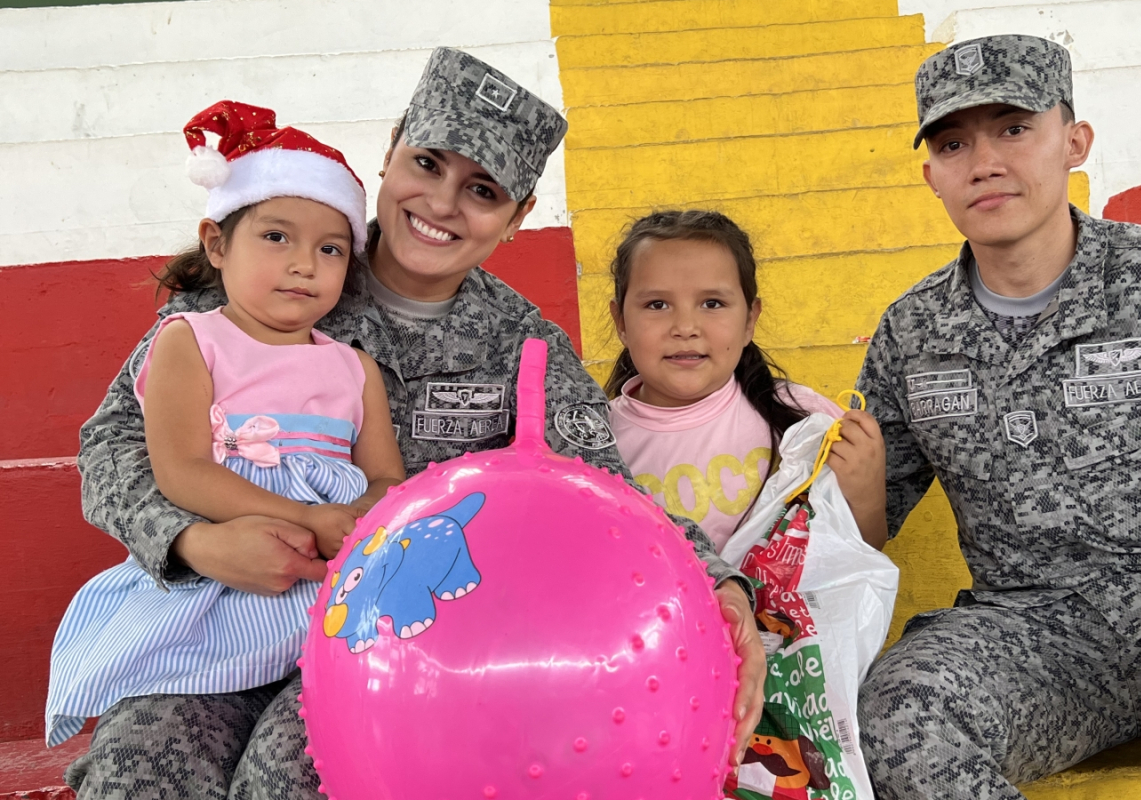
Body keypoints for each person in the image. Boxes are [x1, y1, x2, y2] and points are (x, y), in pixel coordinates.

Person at [70, 49, 764, 799]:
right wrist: (194, 541)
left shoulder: (523, 345)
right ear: (391, 150)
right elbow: (110, 446)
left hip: (394, 651)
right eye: (427, 163)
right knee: (139, 771)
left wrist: (722, 589)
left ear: (519, 215)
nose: (440, 203)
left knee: (294, 782)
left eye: (482, 190)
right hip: (211, 614)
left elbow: (605, 486)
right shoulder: (274, 264)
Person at [855, 34, 1141, 800]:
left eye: (1014, 128)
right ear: (932, 177)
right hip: (1034, 640)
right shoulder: (912, 334)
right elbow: (861, 527)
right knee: (898, 714)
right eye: (955, 143)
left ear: (1074, 142)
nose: (985, 161)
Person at [46, 101, 404, 749]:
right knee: (155, 750)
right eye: (276, 237)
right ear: (217, 243)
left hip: (326, 590)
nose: (304, 264)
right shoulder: (191, 340)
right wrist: (302, 517)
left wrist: (355, 518)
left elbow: (385, 480)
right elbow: (181, 469)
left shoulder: (356, 369)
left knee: (307, 751)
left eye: (329, 249)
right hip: (209, 593)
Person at [604, 209, 887, 552]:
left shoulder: (805, 421)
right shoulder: (596, 443)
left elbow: (862, 551)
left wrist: (866, 496)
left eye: (712, 303)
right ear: (621, 321)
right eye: (657, 304)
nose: (685, 327)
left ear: (750, 320)